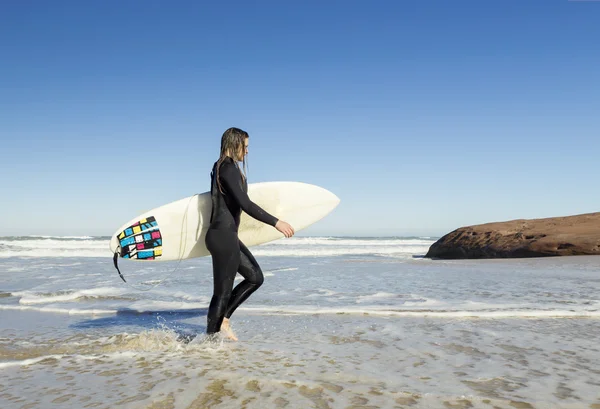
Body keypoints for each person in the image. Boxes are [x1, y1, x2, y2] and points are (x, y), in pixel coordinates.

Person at [205, 127, 295, 340]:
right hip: (222, 237)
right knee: (222, 293)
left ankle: (224, 319)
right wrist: (276, 222)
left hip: (226, 236)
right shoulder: (227, 168)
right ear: (234, 143)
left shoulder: (223, 168)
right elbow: (245, 204)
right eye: (245, 146)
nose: (247, 151)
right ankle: (207, 344)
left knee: (255, 277)